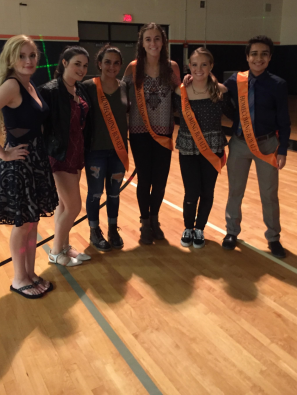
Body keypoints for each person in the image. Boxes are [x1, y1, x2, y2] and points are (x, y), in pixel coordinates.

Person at [0, 35, 58, 298]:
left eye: (32, 55)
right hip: (19, 164)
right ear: (10, 59)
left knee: (31, 223)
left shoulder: (29, 85)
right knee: (22, 225)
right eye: (22, 56)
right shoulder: (12, 86)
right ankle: (19, 278)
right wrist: (3, 154)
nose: (29, 60)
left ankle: (30, 274)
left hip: (35, 162)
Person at [222, 35, 291, 258]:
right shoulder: (235, 80)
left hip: (268, 144)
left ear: (270, 57)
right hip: (240, 144)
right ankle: (232, 232)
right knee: (235, 190)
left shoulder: (278, 85)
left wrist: (282, 150)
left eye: (263, 54)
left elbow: (284, 120)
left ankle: (273, 237)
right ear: (247, 57)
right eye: (254, 54)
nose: (258, 58)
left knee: (269, 193)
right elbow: (221, 98)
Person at [123, 23, 181, 244]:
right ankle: (145, 222)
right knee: (145, 179)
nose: (153, 43)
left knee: (161, 181)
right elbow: (121, 96)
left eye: (157, 38)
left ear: (163, 41)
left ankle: (155, 219)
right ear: (142, 43)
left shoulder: (172, 67)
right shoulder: (133, 68)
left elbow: (181, 93)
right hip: (139, 132)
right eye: (148, 39)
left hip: (164, 132)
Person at [174, 47, 233, 248]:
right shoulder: (180, 91)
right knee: (191, 191)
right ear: (189, 66)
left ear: (211, 66)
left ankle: (200, 228)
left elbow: (237, 116)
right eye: (195, 64)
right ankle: (188, 227)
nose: (199, 69)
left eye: (204, 64)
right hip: (188, 146)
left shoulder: (221, 91)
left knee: (208, 191)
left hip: (213, 146)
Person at [39, 46, 92, 266]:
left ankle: (64, 248)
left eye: (85, 65)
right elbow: (40, 124)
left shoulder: (79, 90)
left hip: (77, 152)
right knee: (74, 206)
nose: (81, 69)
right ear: (64, 63)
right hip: (60, 155)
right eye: (77, 64)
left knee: (63, 205)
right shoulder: (50, 90)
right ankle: (54, 253)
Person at [82, 45, 128, 251]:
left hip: (118, 151)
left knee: (114, 193)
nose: (112, 66)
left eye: (116, 62)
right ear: (99, 64)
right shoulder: (88, 87)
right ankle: (94, 230)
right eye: (107, 62)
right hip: (95, 151)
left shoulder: (125, 87)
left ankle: (112, 228)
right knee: (95, 193)